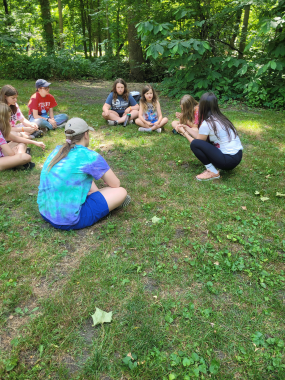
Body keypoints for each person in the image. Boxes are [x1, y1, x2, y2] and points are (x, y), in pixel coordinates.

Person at [37, 117, 131, 230]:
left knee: (82, 175)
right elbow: (115, 184)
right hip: (69, 219)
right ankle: (108, 200)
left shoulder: (57, 151)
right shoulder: (90, 156)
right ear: (86, 134)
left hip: (46, 211)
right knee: (121, 191)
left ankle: (96, 196)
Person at [176, 92, 243, 181]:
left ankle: (212, 171)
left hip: (227, 161)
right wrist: (186, 128)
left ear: (202, 106)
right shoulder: (221, 118)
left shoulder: (207, 123)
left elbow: (196, 143)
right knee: (200, 142)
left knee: (194, 144)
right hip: (237, 156)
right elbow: (200, 138)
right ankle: (214, 167)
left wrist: (184, 133)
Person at [0, 103, 45, 171]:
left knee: (22, 142)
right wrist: (14, 152)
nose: (9, 120)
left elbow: (15, 138)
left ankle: (16, 161)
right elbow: (11, 153)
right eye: (8, 117)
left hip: (2, 153)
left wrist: (35, 142)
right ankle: (19, 160)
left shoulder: (2, 128)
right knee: (26, 157)